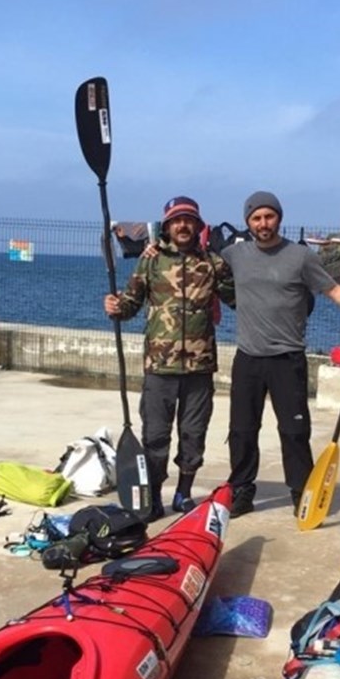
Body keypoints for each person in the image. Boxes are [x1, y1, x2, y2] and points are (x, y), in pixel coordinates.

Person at [221, 191, 340, 518]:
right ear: (248, 222)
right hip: (248, 359)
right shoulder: (234, 255)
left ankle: (301, 492)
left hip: (288, 360)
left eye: (269, 216)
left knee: (294, 432)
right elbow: (193, 258)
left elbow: (334, 290)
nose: (263, 223)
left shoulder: (300, 257)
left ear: (279, 217)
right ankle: (241, 491)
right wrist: (150, 245)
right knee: (241, 430)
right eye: (256, 218)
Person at [104, 196, 235, 521]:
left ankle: (184, 492)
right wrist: (115, 306)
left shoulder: (213, 264)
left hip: (199, 368)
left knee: (194, 433)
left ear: (198, 225)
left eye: (189, 219)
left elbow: (240, 298)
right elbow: (130, 305)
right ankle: (155, 496)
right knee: (155, 436)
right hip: (159, 368)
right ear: (167, 226)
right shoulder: (151, 261)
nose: (183, 225)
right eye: (177, 220)